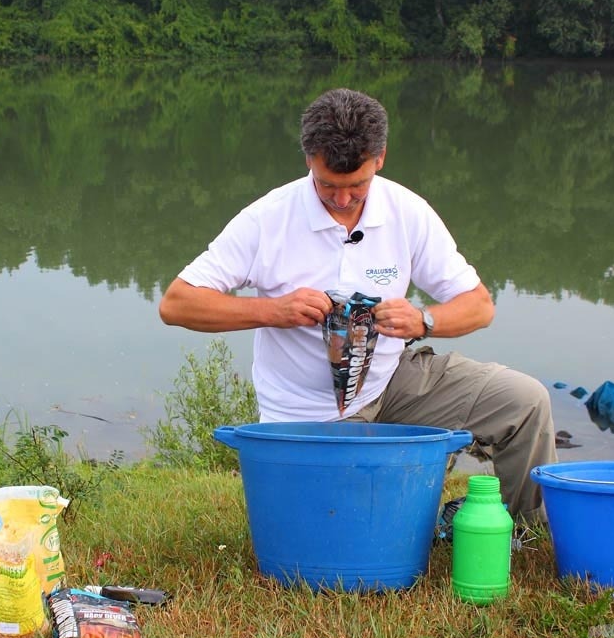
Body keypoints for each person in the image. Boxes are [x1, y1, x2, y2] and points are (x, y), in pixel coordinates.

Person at [159, 88, 557, 523]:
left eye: (357, 186)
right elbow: (177, 303)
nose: (343, 199)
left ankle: (525, 530)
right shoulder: (266, 219)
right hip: (303, 413)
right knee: (343, 523)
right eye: (329, 185)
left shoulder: (408, 211)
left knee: (526, 400)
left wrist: (423, 320)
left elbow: (479, 306)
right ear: (309, 158)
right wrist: (273, 310)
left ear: (380, 158)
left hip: (391, 382)